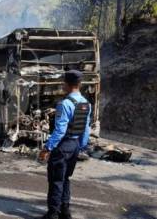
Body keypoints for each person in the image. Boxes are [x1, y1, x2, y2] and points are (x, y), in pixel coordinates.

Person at [39, 70, 91, 219]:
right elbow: (86, 128)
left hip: (62, 146)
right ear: (79, 84)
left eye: (63, 82)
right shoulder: (86, 104)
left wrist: (47, 147)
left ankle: (53, 213)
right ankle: (65, 211)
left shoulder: (64, 104)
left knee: (56, 180)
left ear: (66, 84)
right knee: (66, 178)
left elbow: (60, 130)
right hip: (74, 145)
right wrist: (80, 146)